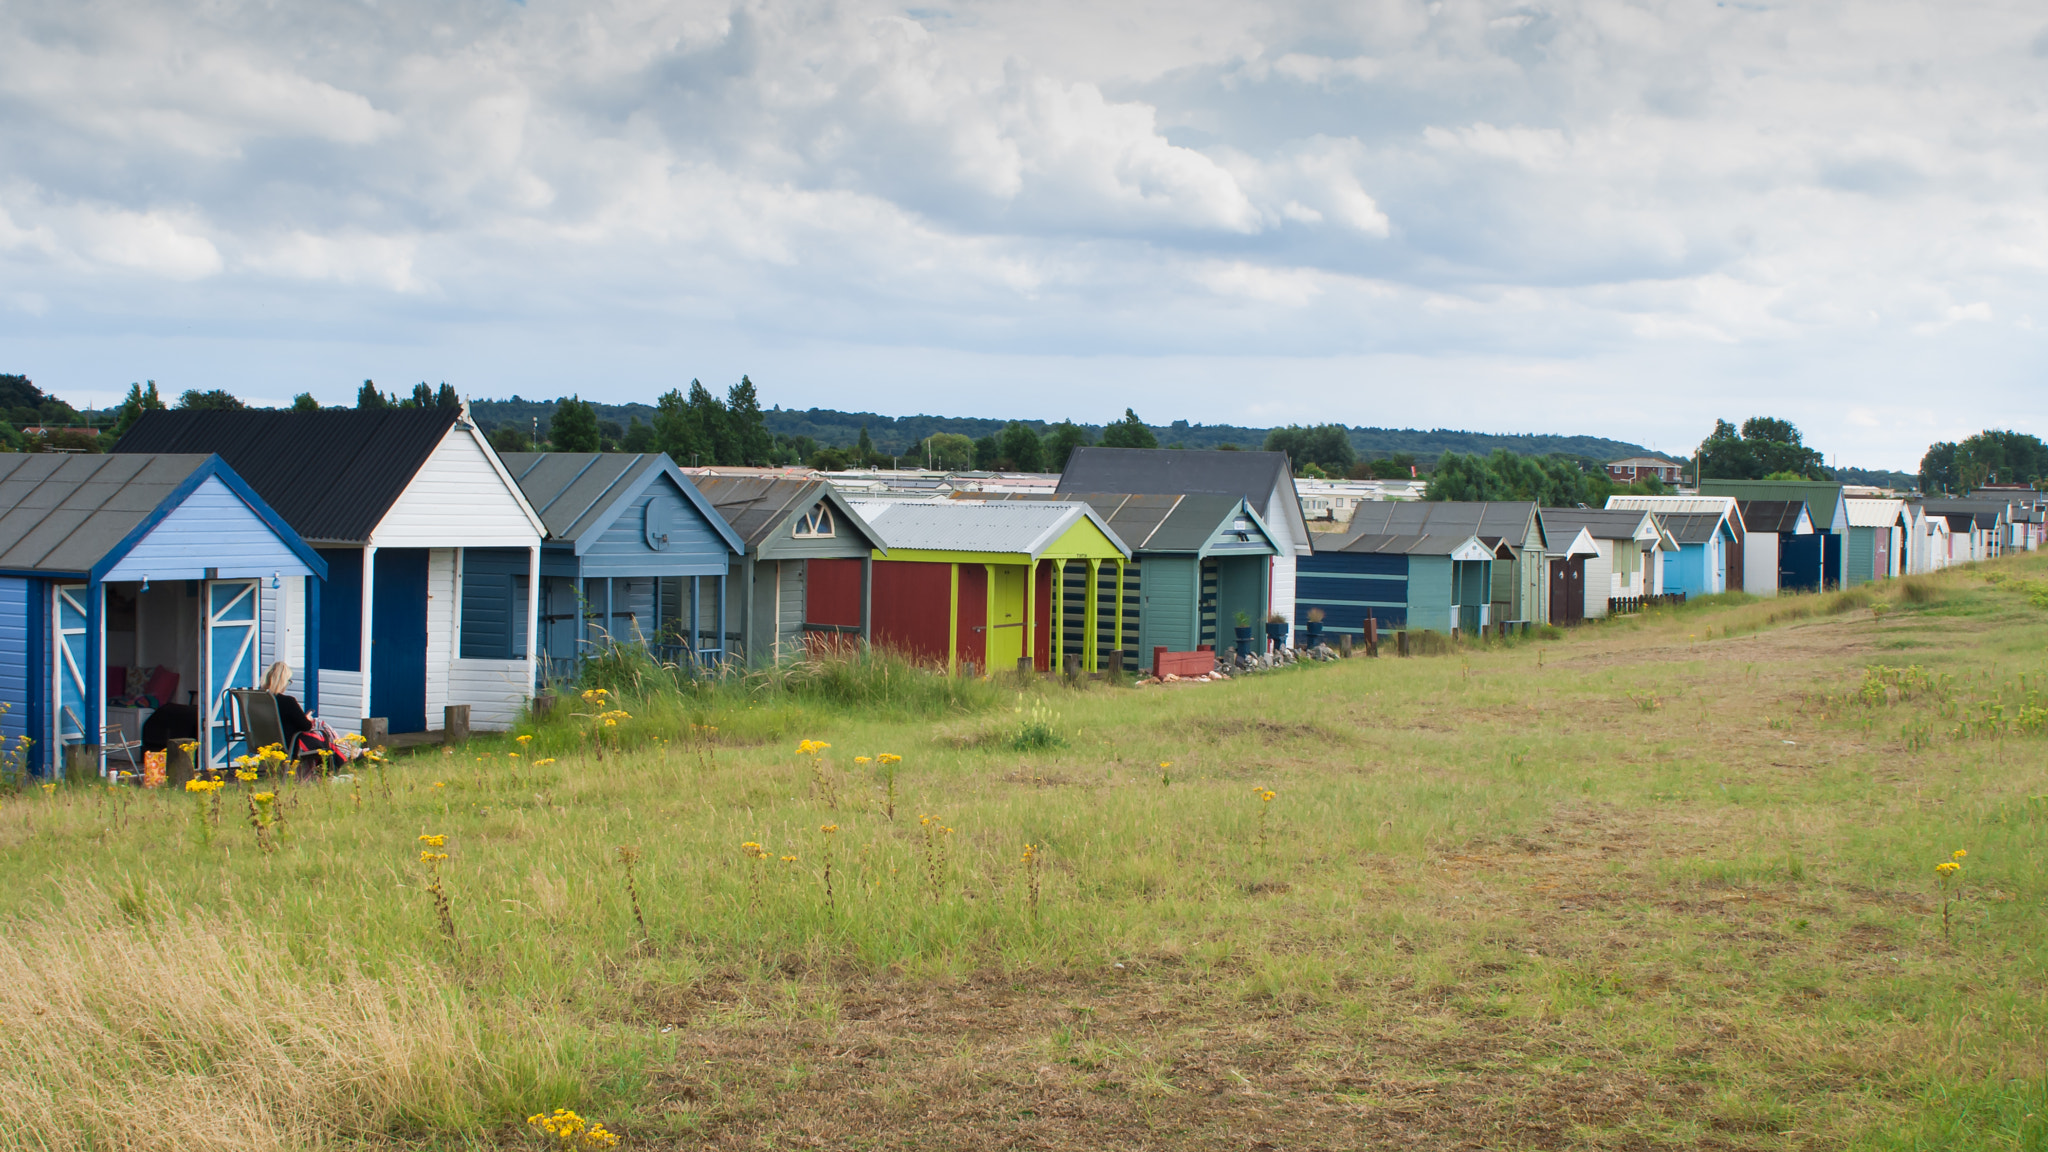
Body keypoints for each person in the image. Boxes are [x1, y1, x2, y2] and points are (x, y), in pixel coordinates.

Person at [261, 662, 339, 759]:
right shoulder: (288, 702)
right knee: (321, 727)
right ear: (282, 682)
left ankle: (350, 751)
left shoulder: (257, 700)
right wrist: (307, 719)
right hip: (288, 744)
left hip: (263, 744)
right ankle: (348, 752)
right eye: (288, 681)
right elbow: (306, 726)